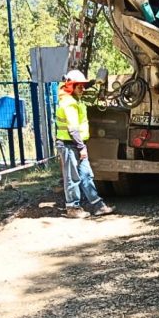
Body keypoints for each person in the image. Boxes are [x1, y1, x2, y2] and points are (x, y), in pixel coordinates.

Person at [55, 70, 114, 218]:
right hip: (70, 145)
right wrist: (81, 147)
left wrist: (95, 81)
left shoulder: (75, 99)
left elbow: (84, 87)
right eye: (79, 86)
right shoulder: (69, 104)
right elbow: (73, 129)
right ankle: (73, 208)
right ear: (71, 87)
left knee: (86, 175)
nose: (82, 88)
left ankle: (98, 205)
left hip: (76, 144)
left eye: (83, 85)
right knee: (72, 177)